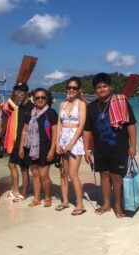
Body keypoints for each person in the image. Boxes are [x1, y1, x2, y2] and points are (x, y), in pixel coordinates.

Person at [83, 73, 137, 218]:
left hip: (119, 148)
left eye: (104, 86)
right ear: (95, 90)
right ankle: (106, 204)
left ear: (110, 87)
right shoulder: (92, 107)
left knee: (117, 177)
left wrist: (133, 145)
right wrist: (86, 150)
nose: (102, 89)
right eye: (98, 87)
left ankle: (118, 206)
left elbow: (131, 124)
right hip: (100, 149)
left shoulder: (121, 102)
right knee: (104, 176)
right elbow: (87, 129)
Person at [19, 88, 57, 207]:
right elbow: (24, 131)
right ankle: (36, 198)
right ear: (33, 99)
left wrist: (52, 149)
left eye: (43, 97)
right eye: (37, 97)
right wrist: (21, 147)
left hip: (45, 147)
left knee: (44, 175)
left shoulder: (50, 113)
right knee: (35, 174)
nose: (40, 100)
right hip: (30, 148)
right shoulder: (30, 113)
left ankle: (47, 197)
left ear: (47, 99)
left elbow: (55, 132)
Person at [55, 76, 87, 215]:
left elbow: (81, 125)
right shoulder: (62, 105)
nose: (71, 90)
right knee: (63, 173)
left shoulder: (81, 104)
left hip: (75, 141)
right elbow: (59, 125)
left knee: (73, 174)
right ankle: (65, 201)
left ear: (79, 90)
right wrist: (57, 142)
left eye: (74, 87)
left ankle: (80, 204)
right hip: (63, 140)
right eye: (69, 87)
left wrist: (72, 142)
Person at [4, 83, 33, 202]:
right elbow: (6, 107)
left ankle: (24, 194)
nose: (19, 94)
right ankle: (16, 190)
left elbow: (28, 129)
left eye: (22, 91)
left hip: (25, 143)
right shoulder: (20, 107)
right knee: (11, 164)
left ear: (27, 92)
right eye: (17, 92)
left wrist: (22, 145)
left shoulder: (31, 107)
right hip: (17, 141)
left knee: (24, 168)